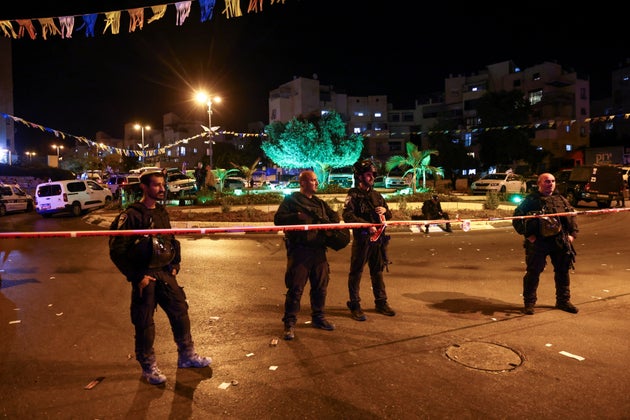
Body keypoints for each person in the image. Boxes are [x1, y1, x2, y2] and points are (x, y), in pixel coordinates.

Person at [109, 171, 211, 385]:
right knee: (144, 322)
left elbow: (170, 239)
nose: (162, 189)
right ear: (144, 187)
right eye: (156, 185)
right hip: (145, 276)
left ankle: (187, 356)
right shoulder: (131, 215)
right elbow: (117, 250)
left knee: (180, 311)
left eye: (163, 185)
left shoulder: (162, 212)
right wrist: (137, 276)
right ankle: (148, 367)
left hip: (164, 272)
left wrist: (175, 264)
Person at [274, 170, 340, 340]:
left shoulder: (319, 203)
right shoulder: (291, 200)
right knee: (295, 289)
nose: (316, 183)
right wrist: (297, 216)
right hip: (300, 251)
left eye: (316, 180)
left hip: (318, 250)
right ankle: (289, 323)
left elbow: (335, 218)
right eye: (312, 180)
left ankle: (318, 318)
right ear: (303, 183)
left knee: (320, 287)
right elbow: (278, 219)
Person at [512, 172, 579, 316]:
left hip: (559, 242)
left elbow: (571, 217)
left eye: (553, 181)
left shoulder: (561, 199)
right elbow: (517, 218)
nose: (551, 184)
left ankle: (563, 301)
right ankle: (529, 303)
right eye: (547, 181)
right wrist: (529, 236)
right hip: (539, 242)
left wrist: (572, 235)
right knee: (533, 272)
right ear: (539, 183)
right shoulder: (531, 200)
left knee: (562, 271)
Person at [342, 159, 396, 321]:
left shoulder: (377, 195)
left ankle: (381, 302)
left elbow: (389, 215)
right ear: (359, 177)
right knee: (356, 273)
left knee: (377, 272)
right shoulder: (353, 195)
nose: (371, 177)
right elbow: (347, 216)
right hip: (362, 240)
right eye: (368, 174)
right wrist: (366, 226)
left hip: (378, 241)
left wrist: (385, 210)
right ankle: (355, 304)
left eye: (373, 174)